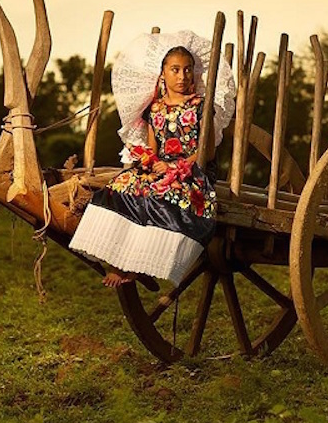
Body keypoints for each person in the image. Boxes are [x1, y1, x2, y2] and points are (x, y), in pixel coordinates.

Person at [70, 34, 234, 287]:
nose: (182, 76)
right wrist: (151, 163)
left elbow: (207, 151)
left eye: (187, 70)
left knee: (167, 194)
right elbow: (153, 149)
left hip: (193, 170)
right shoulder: (155, 108)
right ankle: (119, 261)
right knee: (122, 186)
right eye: (175, 70)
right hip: (160, 168)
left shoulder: (201, 106)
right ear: (163, 74)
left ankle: (141, 264)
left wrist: (173, 167)